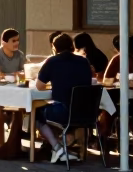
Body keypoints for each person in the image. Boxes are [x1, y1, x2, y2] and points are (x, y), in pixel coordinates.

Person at [34, 33, 97, 163]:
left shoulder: (52, 61)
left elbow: (39, 86)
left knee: (36, 113)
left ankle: (57, 149)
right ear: (72, 46)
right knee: (54, 111)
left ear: (54, 48)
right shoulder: (84, 61)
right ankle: (63, 146)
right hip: (86, 112)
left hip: (64, 111)